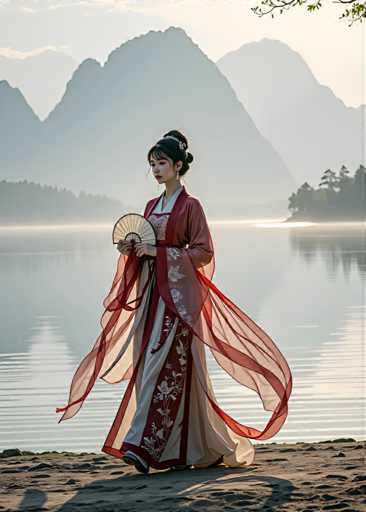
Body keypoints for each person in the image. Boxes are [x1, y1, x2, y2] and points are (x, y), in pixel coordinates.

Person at [56, 129, 292, 474]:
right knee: (151, 370)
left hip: (179, 302)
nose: (155, 169)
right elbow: (147, 249)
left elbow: (203, 252)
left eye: (162, 162)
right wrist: (134, 251)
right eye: (152, 163)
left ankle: (141, 446)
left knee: (162, 371)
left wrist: (159, 251)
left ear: (178, 166)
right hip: (152, 298)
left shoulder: (191, 206)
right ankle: (190, 449)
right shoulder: (151, 207)